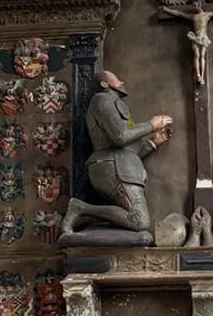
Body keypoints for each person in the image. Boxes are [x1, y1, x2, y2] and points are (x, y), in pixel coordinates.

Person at [60, 70, 173, 245]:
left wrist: (153, 143)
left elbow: (127, 151)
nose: (121, 81)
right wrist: (152, 125)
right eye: (116, 79)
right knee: (140, 221)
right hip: (112, 166)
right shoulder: (103, 99)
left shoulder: (116, 104)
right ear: (105, 84)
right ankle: (80, 208)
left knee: (133, 220)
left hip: (120, 164)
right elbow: (120, 136)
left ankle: (85, 215)